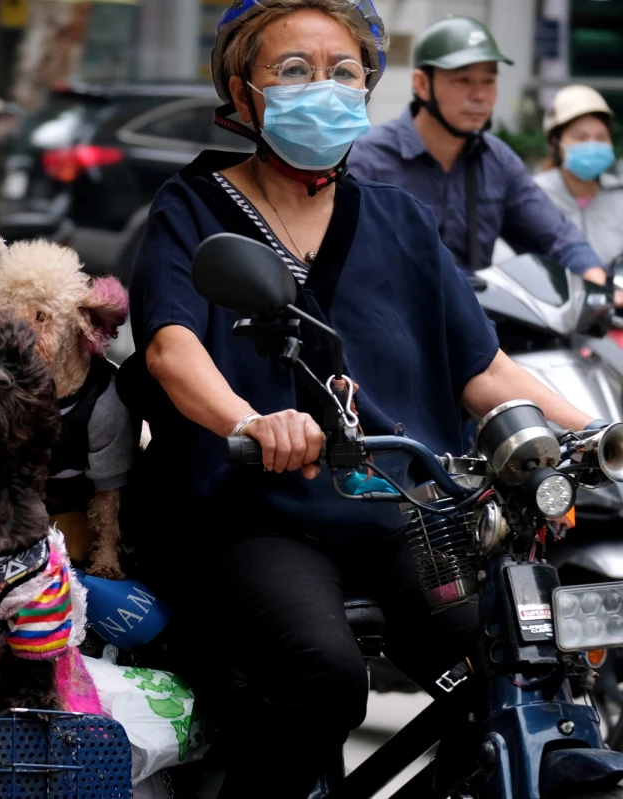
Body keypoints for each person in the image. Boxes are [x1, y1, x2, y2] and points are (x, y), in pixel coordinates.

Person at [123, 1, 596, 796]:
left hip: (399, 509)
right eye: (294, 70)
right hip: (252, 511)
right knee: (325, 674)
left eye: (343, 72)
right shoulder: (193, 206)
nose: (324, 87)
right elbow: (172, 348)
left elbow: (485, 369)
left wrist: (600, 433)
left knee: (512, 661)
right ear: (241, 94)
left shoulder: (400, 219)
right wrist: (249, 420)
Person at [347, 16, 607, 286]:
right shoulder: (367, 159)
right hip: (391, 308)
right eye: (463, 81)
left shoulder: (498, 161)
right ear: (422, 85)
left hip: (478, 309)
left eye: (488, 81)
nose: (480, 95)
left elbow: (555, 236)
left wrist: (599, 281)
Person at [534, 85, 622, 270]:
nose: (592, 145)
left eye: (601, 137)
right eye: (581, 138)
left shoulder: (618, 195)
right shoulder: (533, 196)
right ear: (556, 143)